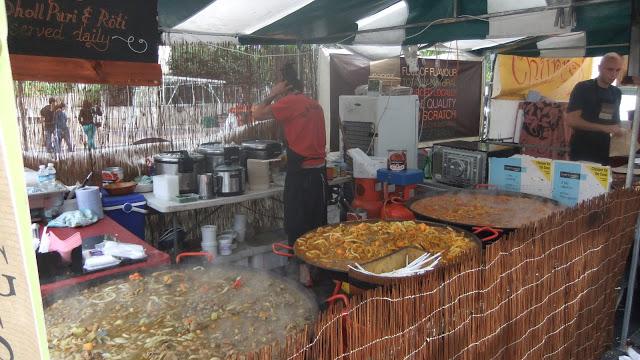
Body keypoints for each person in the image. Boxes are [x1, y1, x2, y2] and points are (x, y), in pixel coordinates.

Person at [253, 63, 327, 284]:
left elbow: (256, 114)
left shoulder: (289, 102)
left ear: (284, 86)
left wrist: (272, 94)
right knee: (317, 222)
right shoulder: (315, 105)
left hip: (301, 175)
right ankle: (321, 268)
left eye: (278, 85)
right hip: (320, 174)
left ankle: (304, 272)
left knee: (297, 224)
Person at [565, 52, 626, 165]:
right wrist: (604, 128)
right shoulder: (583, 88)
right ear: (599, 68)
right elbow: (571, 120)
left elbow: (615, 122)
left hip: (605, 149)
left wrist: (620, 131)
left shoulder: (616, 92)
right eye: (610, 69)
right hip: (582, 148)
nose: (613, 74)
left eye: (617, 70)